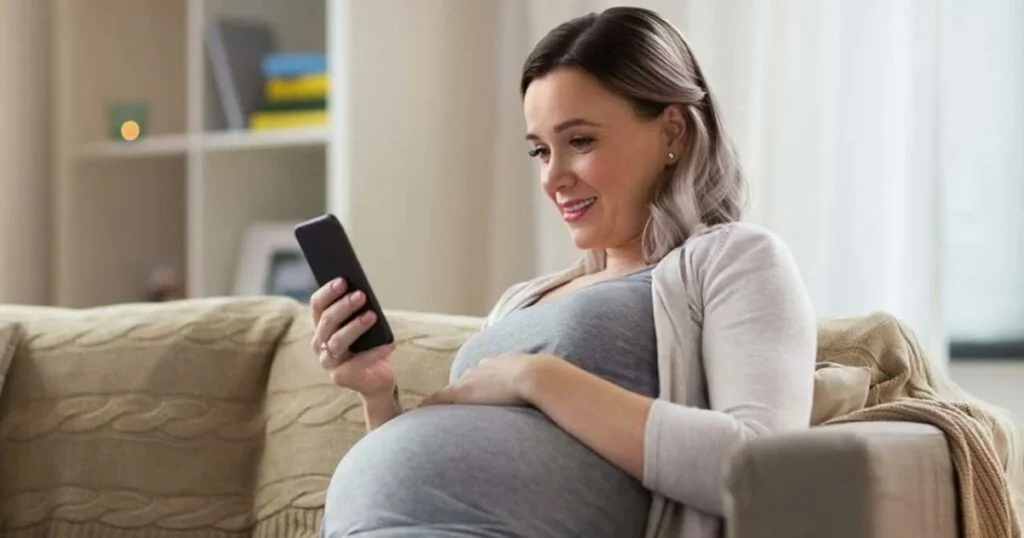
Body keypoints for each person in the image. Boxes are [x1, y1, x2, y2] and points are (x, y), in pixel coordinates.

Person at [313, 6, 817, 538]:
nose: (552, 178)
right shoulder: (523, 300)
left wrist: (536, 376)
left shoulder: (735, 259)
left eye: (580, 141)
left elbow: (767, 471)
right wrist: (379, 398)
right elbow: (435, 485)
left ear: (673, 132)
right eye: (539, 150)